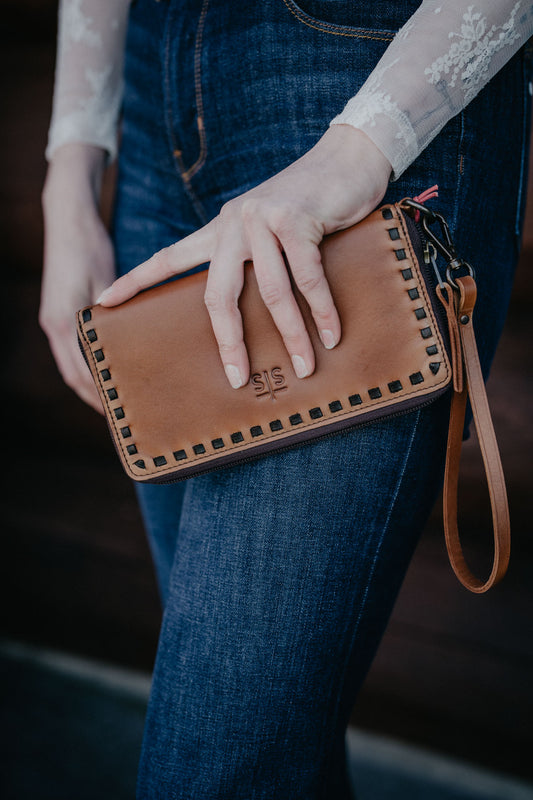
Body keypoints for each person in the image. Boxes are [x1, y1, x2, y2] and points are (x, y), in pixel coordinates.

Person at [40, 1, 532, 797]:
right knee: (270, 748)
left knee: (215, 768)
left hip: (363, 82)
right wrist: (70, 172)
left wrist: (354, 152)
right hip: (152, 103)